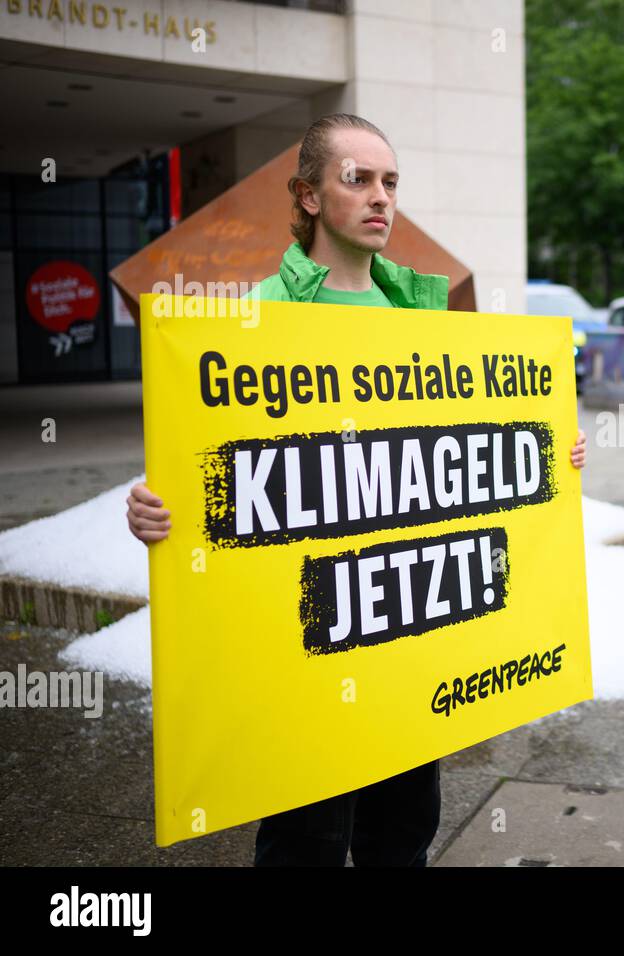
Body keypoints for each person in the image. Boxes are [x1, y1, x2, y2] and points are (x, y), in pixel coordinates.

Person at [127, 113, 588, 866]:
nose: (381, 198)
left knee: (402, 836)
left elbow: (472, 454)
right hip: (301, 656)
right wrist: (155, 509)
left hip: (403, 653)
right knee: (303, 844)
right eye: (358, 179)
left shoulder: (423, 315)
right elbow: (215, 471)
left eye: (390, 182)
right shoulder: (255, 321)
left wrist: (548, 454)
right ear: (307, 195)